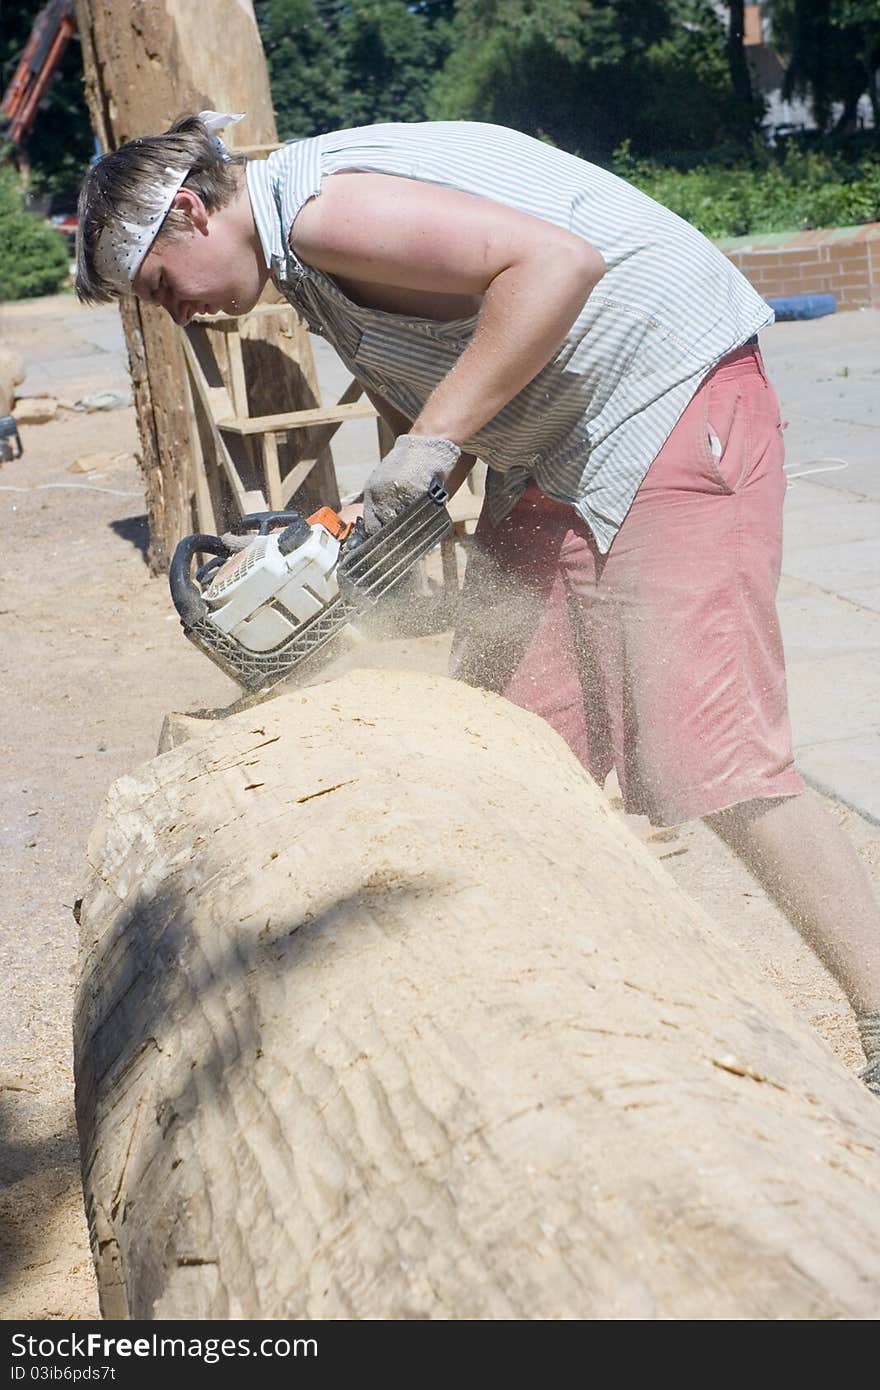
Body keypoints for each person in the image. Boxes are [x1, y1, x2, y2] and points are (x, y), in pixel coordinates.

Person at [76, 111, 880, 1095]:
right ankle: (572, 1018)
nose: (178, 315)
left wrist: (435, 445)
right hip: (548, 439)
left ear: (193, 214)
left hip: (661, 392)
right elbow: (420, 365)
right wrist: (382, 530)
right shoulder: (296, 255)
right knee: (514, 738)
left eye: (160, 288)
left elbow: (556, 265)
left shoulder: (327, 207)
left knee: (705, 753)